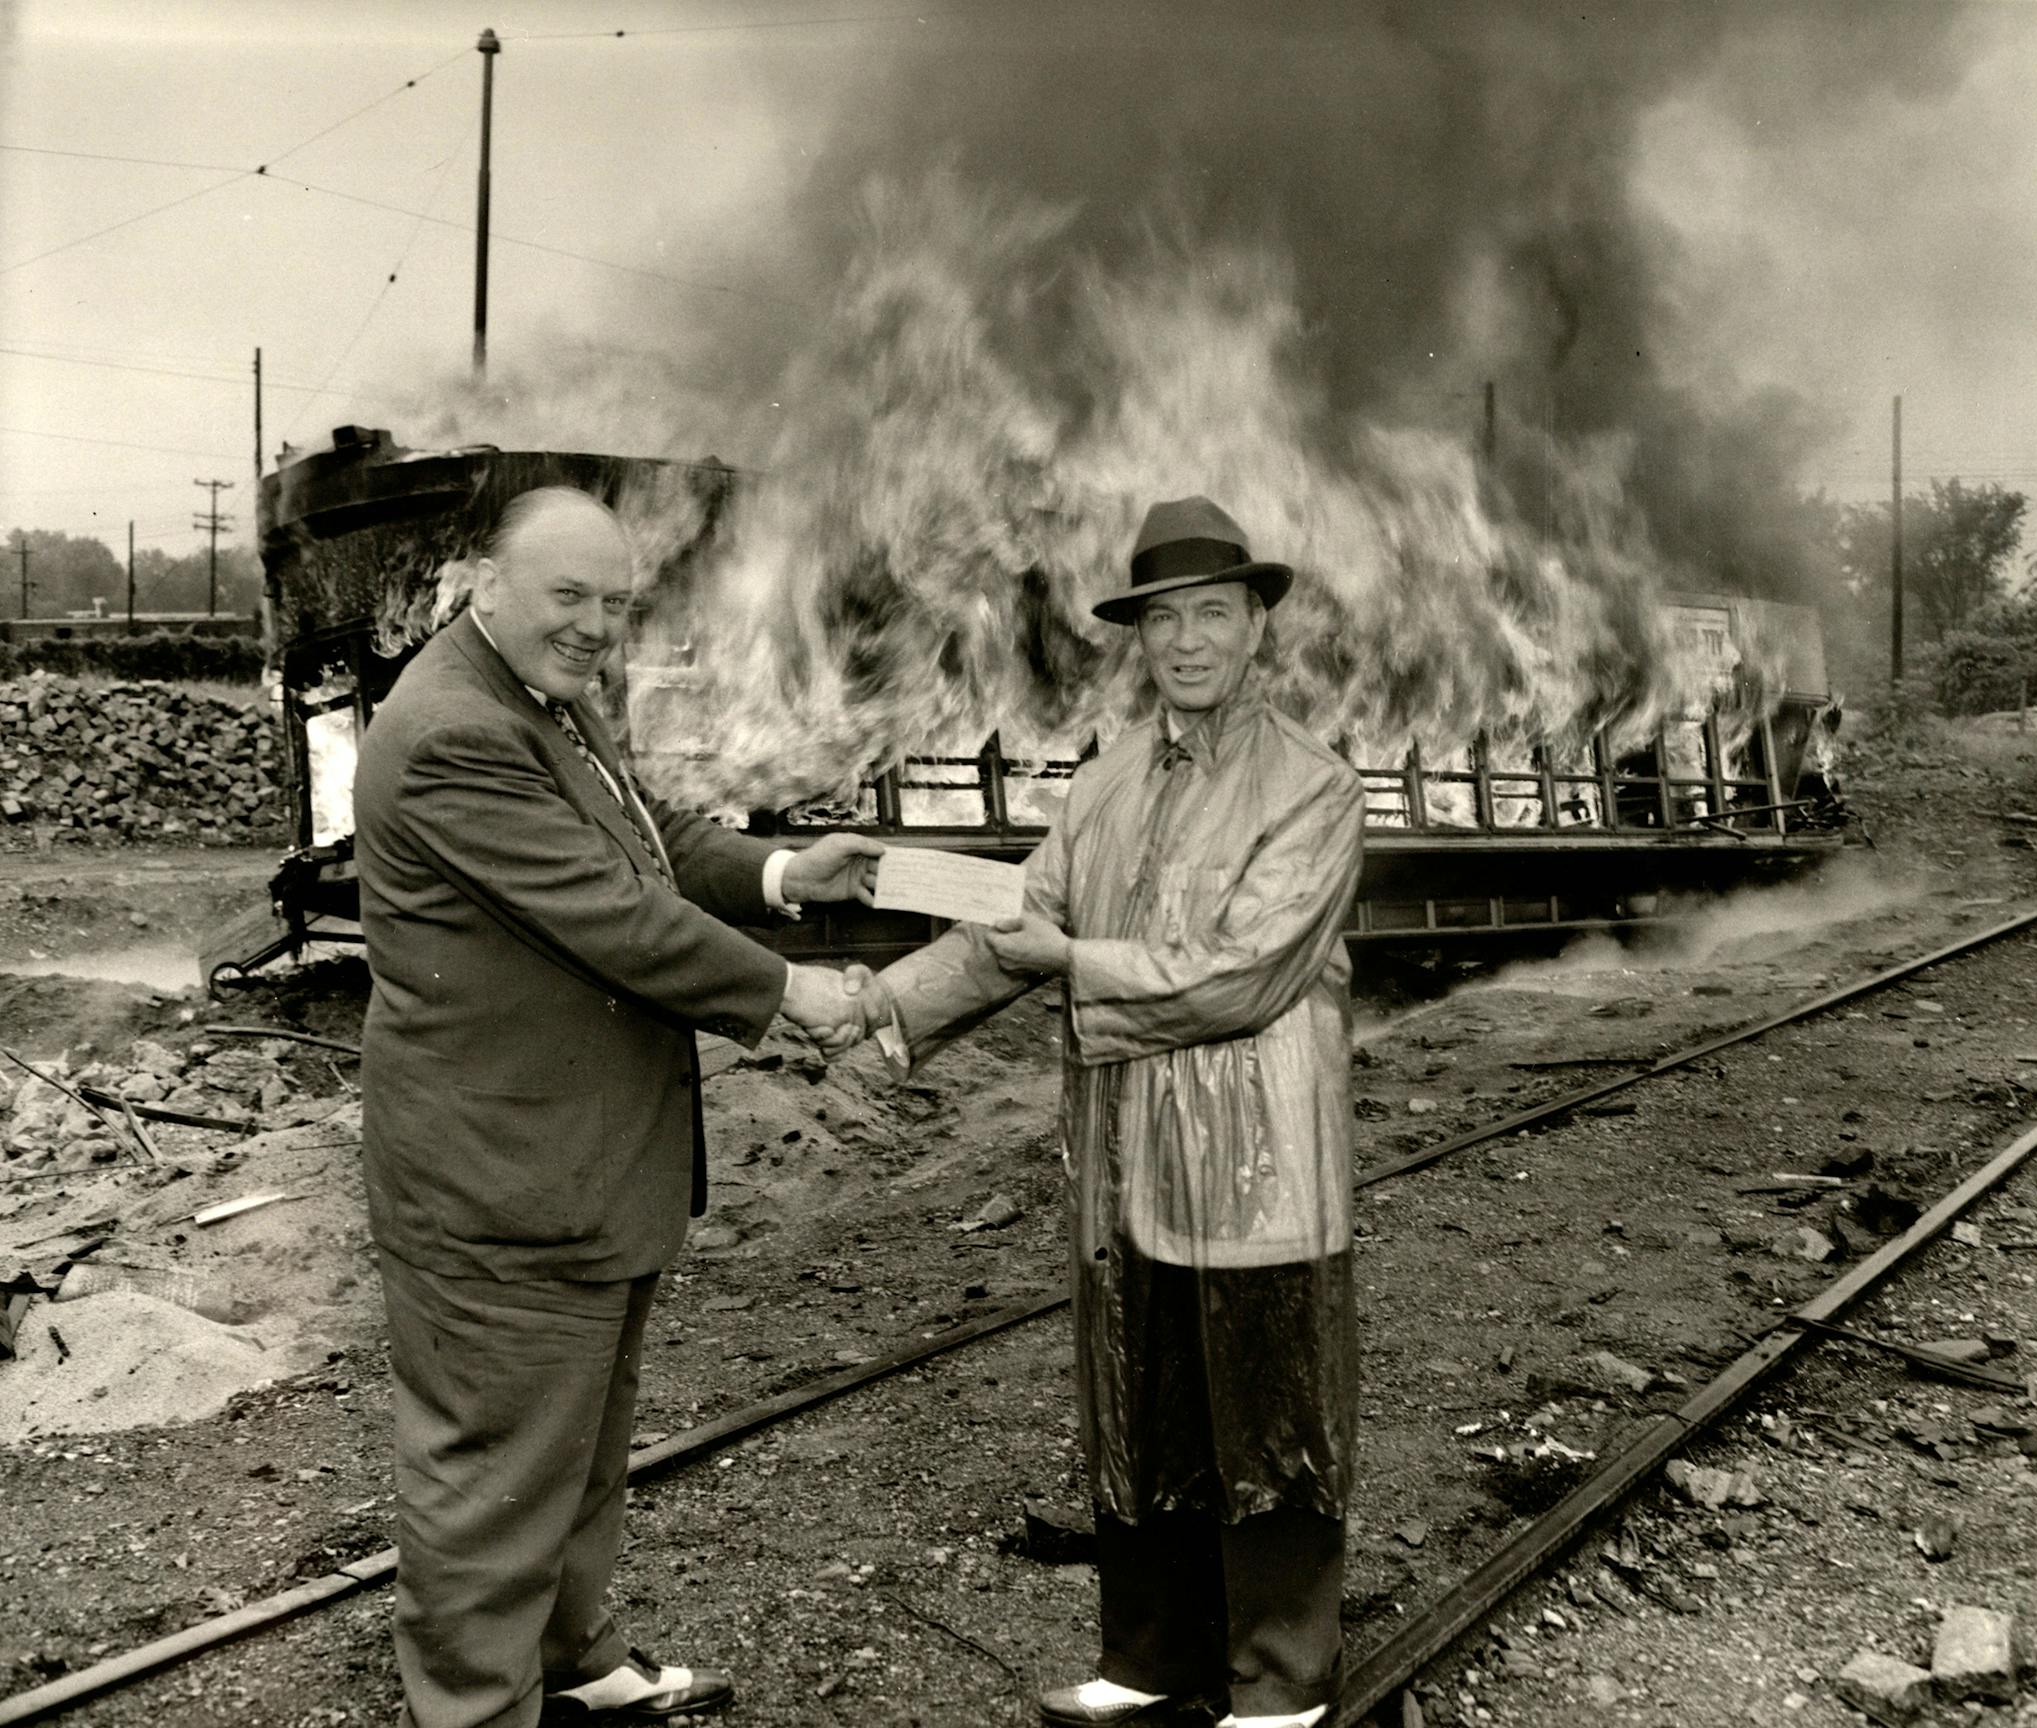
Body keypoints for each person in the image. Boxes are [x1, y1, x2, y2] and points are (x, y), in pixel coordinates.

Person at [353, 486, 879, 1728]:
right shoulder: (455, 731)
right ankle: (476, 1707)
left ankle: (572, 1664)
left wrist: (781, 872)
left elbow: (645, 840)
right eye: (570, 596)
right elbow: (616, 918)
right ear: (486, 585)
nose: (595, 626)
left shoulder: (541, 695)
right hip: (504, 1184)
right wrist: (791, 993)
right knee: (493, 1476)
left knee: (577, 1446)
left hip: (573, 1174)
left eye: (616, 603)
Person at [849, 496, 1365, 1728]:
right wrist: (879, 1008)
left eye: (1212, 614)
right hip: (1131, 1149)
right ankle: (1149, 1663)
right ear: (1138, 636)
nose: (1187, 642)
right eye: (1163, 620)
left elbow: (1241, 975)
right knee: (1143, 1391)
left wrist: (1075, 962)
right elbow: (1020, 923)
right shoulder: (1105, 783)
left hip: (1262, 1157)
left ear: (1256, 625)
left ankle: (1282, 1685)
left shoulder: (1314, 787)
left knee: (1268, 1397)